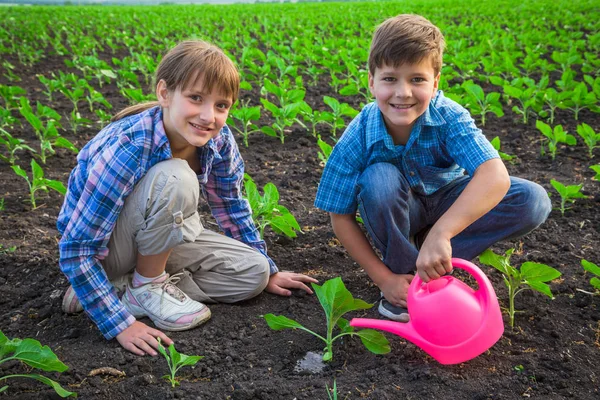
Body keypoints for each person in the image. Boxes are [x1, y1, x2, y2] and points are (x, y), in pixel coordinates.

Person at [58, 40, 317, 356]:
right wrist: (120, 324)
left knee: (253, 275)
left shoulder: (217, 140)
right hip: (105, 251)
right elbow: (76, 248)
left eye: (221, 105)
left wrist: (271, 269)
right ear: (164, 93)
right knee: (176, 175)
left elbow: (231, 206)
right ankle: (136, 287)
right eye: (196, 98)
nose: (209, 116)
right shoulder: (131, 145)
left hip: (153, 242)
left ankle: (127, 287)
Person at [314, 15, 551, 323]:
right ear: (371, 80)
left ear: (435, 82)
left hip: (447, 205)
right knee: (379, 178)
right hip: (400, 213)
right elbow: (340, 217)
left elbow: (494, 175)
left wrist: (442, 233)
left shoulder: (448, 116)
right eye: (390, 79)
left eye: (417, 79)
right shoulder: (357, 136)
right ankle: (400, 283)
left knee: (532, 200)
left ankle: (430, 266)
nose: (403, 93)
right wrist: (383, 278)